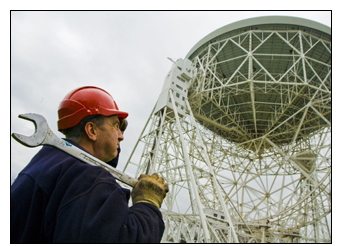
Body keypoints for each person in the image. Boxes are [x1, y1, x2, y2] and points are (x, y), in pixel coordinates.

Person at [11, 86, 169, 243]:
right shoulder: (89, 179)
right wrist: (148, 204)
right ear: (92, 130)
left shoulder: (44, 164)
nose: (121, 136)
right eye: (115, 125)